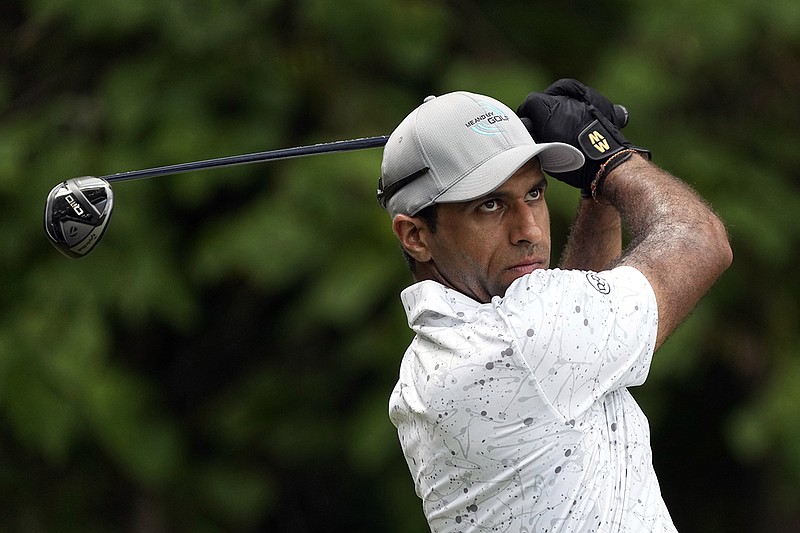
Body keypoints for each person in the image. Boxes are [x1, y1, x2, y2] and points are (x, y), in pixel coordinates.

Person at [377, 80, 732, 532]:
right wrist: (612, 159)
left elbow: (569, 322)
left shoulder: (436, 360)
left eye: (534, 194)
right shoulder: (514, 344)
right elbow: (700, 240)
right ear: (416, 235)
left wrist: (595, 189)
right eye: (490, 205)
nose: (530, 230)